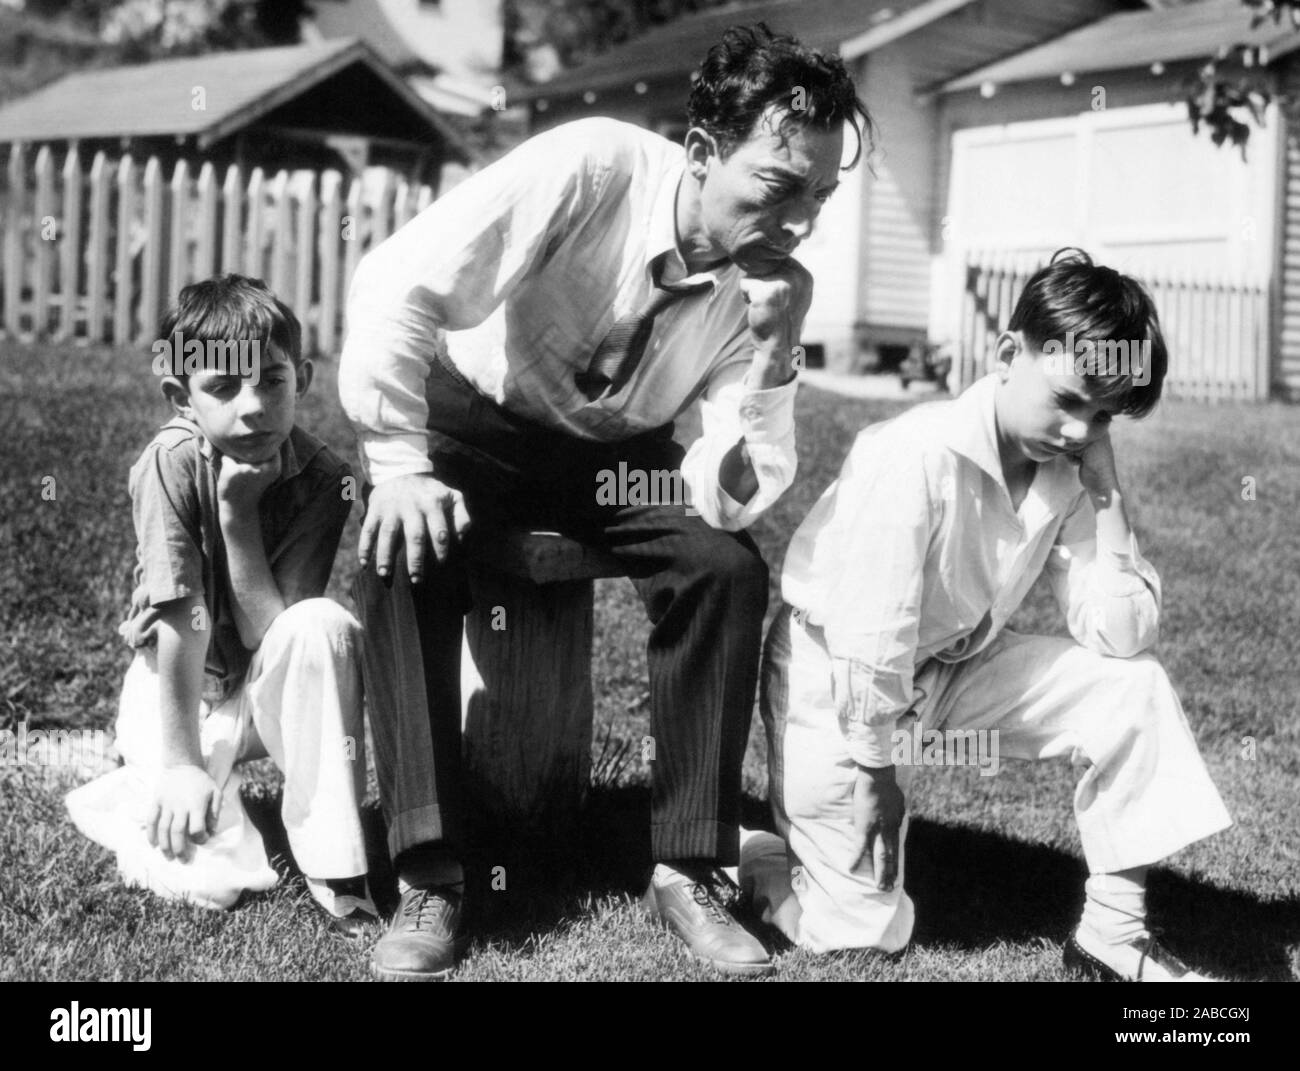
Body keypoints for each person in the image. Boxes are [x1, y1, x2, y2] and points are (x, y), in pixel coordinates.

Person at [339, 23, 873, 979]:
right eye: (781, 186)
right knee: (397, 545)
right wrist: (398, 460)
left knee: (722, 566)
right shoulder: (590, 166)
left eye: (822, 196)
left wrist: (778, 355)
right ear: (704, 153)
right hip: (479, 422)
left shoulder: (770, 291)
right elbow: (397, 283)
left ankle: (688, 864)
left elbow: (735, 489)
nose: (802, 222)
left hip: (616, 459)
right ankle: (433, 869)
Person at [744, 249, 1233, 980]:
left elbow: (1120, 632)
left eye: (1101, 417)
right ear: (1009, 352)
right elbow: (871, 631)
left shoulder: (1070, 471)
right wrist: (878, 771)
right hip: (834, 677)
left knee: (1133, 687)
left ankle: (1114, 934)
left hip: (951, 667)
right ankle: (761, 858)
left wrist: (1107, 494)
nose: (1079, 431)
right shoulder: (913, 452)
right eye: (1068, 399)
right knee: (860, 936)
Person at [66, 275, 376, 937]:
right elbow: (182, 618)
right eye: (224, 387)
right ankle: (140, 785)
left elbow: (279, 631)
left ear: (304, 378)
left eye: (272, 380)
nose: (254, 408)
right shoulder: (171, 464)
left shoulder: (325, 477)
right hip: (177, 684)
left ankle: (337, 864)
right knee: (213, 882)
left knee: (324, 624)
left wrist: (238, 520)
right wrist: (181, 765)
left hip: (258, 688)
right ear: (182, 396)